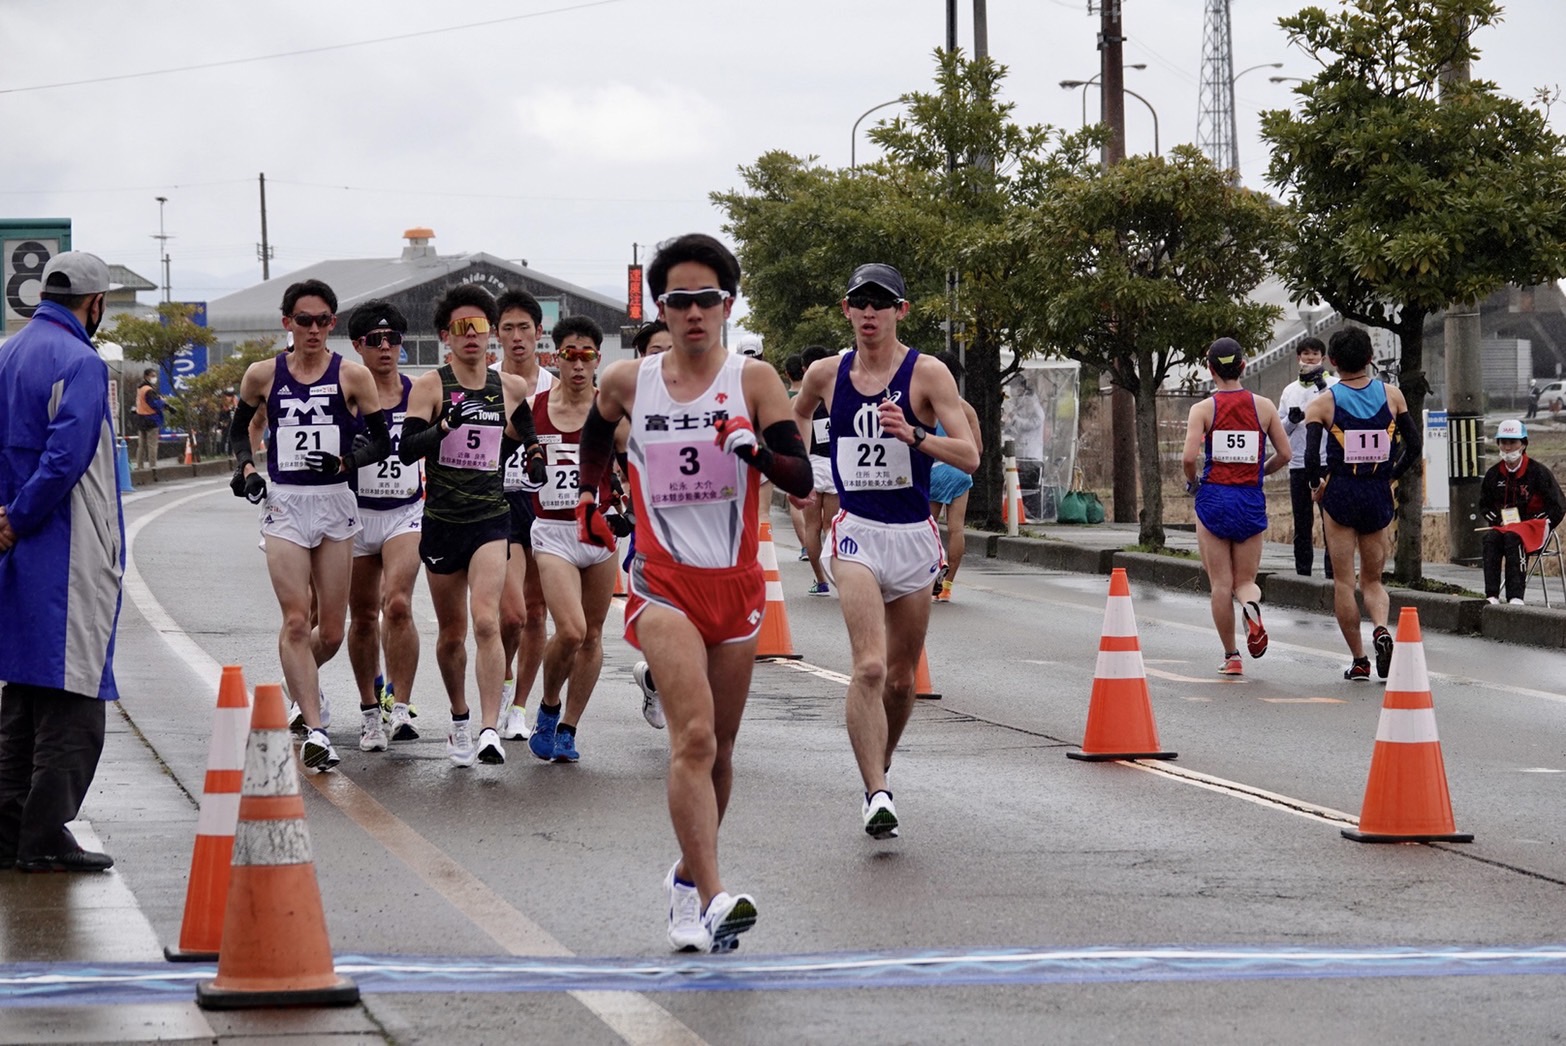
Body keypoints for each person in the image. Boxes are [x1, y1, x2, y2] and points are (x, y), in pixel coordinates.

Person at [574, 233, 812, 952]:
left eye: (707, 299)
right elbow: (596, 434)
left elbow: (801, 478)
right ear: (662, 308)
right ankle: (714, 898)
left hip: (735, 585)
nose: (694, 313)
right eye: (679, 301)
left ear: (727, 304)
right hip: (662, 581)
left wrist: (754, 450)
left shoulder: (754, 381)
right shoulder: (629, 380)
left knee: (723, 751)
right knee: (695, 737)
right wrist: (590, 495)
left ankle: (685, 880)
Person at [791, 262, 978, 842]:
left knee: (900, 680)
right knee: (869, 666)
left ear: (901, 310)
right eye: (860, 303)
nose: (869, 313)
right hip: (856, 533)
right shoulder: (826, 373)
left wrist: (916, 435)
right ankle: (877, 791)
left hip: (913, 536)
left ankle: (881, 761)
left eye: (881, 303)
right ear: (846, 310)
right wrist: (798, 471)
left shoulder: (928, 373)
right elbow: (797, 414)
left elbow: (970, 455)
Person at [228, 279, 393, 770]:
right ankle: (317, 730)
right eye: (305, 320)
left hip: (335, 502)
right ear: (288, 323)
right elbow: (237, 432)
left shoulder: (353, 376)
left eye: (323, 320)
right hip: (286, 504)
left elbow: (382, 443)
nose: (315, 329)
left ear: (332, 324)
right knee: (297, 619)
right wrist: (247, 469)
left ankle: (295, 680)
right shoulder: (262, 375)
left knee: (333, 631)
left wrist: (345, 462)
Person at [0, 251, 123, 873]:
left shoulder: (7, 353)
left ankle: (7, 832)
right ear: (94, 303)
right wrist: (21, 515)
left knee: (23, 691)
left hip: (14, 546)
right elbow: (65, 459)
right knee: (74, 694)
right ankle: (45, 835)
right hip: (66, 545)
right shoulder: (81, 361)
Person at [398, 285, 543, 768]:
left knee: (487, 621)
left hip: (490, 518)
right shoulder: (431, 386)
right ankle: (459, 716)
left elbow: (525, 430)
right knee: (451, 634)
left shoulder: (509, 387)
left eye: (479, 326)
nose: (472, 335)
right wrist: (443, 426)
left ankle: (488, 729)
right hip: (443, 521)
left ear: (490, 333)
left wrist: (535, 455)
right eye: (461, 328)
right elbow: (406, 450)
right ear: (446, 336)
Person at [524, 316, 626, 764]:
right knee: (570, 630)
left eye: (587, 356)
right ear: (556, 357)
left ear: (598, 359)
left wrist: (629, 510)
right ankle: (548, 707)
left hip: (598, 532)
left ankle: (568, 728)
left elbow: (635, 468)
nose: (579, 364)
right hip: (553, 532)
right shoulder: (533, 409)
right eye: (570, 355)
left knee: (593, 635)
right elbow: (498, 454)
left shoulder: (611, 412)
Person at [1304, 325, 1422, 681]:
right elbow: (1414, 446)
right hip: (1376, 492)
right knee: (1373, 580)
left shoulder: (1322, 403)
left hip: (1341, 491)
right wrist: (1391, 476)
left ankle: (1359, 660)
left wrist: (1316, 485)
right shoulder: (1392, 395)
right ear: (1370, 357)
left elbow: (1310, 457)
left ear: (1332, 361)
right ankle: (1381, 628)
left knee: (1344, 582)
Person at [1180, 338, 1291, 676]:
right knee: (1245, 582)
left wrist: (1193, 483)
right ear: (1243, 366)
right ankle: (1251, 606)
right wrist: (1260, 471)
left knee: (1220, 584)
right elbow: (1285, 454)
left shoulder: (1203, 409)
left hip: (1214, 498)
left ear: (1210, 369)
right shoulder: (1264, 406)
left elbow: (1188, 458)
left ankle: (1232, 656)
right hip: (1249, 497)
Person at [343, 300, 424, 751]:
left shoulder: (419, 393)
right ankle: (369, 711)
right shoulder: (347, 395)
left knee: (397, 604)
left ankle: (401, 706)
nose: (386, 347)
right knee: (361, 618)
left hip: (404, 512)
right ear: (358, 346)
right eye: (375, 340)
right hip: (356, 514)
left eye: (393, 339)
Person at [494, 289, 552, 743]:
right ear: (497, 334)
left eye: (524, 328)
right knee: (511, 615)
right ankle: (503, 678)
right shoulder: (485, 383)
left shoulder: (555, 387)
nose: (517, 337)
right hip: (501, 503)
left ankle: (518, 707)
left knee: (536, 612)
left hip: (547, 505)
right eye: (508, 328)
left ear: (538, 332)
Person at [1479, 419, 1565, 605]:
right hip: (1505, 527)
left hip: (1534, 527)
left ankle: (1516, 597)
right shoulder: (1493, 474)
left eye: (1513, 442)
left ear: (1523, 444)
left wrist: (1539, 522)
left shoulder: (1539, 472)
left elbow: (1557, 506)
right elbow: (1485, 505)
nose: (1507, 447)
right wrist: (1496, 520)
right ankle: (1491, 595)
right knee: (1490, 539)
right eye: (1503, 442)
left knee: (1514, 538)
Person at [927, 351, 983, 603]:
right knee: (956, 529)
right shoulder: (966, 409)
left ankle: (935, 568)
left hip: (933, 470)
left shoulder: (927, 404)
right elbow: (977, 448)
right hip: (960, 471)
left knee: (928, 528)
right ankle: (947, 586)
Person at [1278, 336, 1335, 579]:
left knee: (1331, 522)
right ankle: (1303, 574)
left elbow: (1339, 417)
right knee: (1302, 524)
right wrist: (1291, 421)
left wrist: (1322, 388)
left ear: (1324, 358)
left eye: (1315, 354)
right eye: (1306, 354)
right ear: (1298, 357)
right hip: (1299, 463)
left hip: (1328, 462)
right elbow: (1279, 431)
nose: (1310, 358)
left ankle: (1332, 573)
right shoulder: (1290, 390)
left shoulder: (1334, 385)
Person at [795, 345, 838, 597]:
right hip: (836, 464)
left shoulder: (801, 401)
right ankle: (838, 576)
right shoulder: (838, 395)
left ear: (804, 369)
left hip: (811, 463)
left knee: (812, 527)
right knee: (831, 527)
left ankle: (821, 581)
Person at [132, 367, 166, 471]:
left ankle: (139, 466)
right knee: (152, 445)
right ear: (146, 377)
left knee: (141, 445)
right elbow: (154, 404)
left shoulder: (140, 388)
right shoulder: (149, 390)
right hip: (151, 419)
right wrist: (162, 401)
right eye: (152, 376)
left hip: (141, 418)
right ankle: (152, 466)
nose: (155, 378)